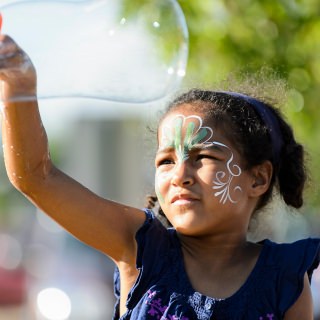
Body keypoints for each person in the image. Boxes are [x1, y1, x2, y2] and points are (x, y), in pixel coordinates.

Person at [0, 34, 319, 320]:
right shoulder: (139, 249)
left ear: (258, 178)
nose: (180, 174)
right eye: (166, 160)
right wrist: (19, 86)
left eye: (203, 157)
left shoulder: (285, 277)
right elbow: (35, 176)